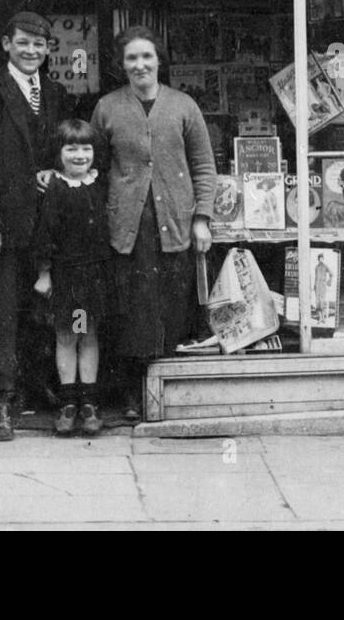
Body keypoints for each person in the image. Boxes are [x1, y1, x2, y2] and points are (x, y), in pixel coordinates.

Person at [92, 26, 216, 420]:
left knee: (171, 306)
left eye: (147, 56)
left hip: (174, 223)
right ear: (121, 65)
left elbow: (204, 167)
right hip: (128, 226)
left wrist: (202, 218)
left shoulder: (183, 106)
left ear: (159, 60)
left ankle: (170, 393)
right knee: (131, 310)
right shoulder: (107, 108)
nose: (140, 65)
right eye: (131, 58)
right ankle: (133, 395)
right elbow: (93, 165)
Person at [0, 11, 71, 441]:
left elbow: (64, 150)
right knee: (2, 313)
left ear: (47, 50)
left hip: (45, 225)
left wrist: (52, 171)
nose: (31, 51)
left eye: (39, 45)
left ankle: (35, 387)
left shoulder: (56, 93)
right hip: (4, 226)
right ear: (6, 45)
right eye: (22, 43)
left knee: (41, 309)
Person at [33, 119, 109, 436]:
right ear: (59, 152)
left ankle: (88, 402)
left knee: (88, 335)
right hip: (69, 279)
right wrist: (44, 273)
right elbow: (45, 234)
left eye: (86, 148)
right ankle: (68, 402)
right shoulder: (56, 189)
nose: (79, 155)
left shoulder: (98, 184)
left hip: (95, 276)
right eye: (71, 148)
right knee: (69, 335)